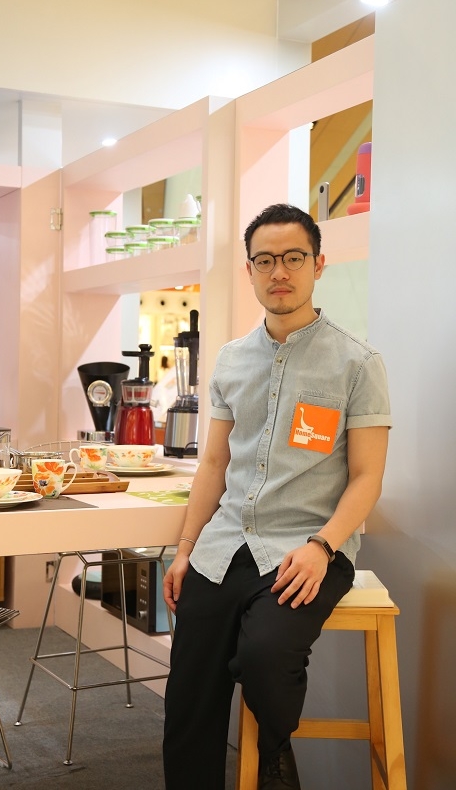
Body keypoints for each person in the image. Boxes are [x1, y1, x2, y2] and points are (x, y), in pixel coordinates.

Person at [162, 204, 391, 790]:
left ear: (318, 264)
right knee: (189, 692)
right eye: (265, 261)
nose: (279, 272)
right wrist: (185, 548)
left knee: (265, 655)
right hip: (224, 546)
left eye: (293, 258)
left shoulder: (358, 363)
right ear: (250, 271)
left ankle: (274, 751)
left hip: (307, 548)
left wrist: (323, 547)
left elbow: (367, 477)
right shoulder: (231, 359)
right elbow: (215, 463)